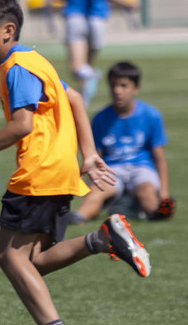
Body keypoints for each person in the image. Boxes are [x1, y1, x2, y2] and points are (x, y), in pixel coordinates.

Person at [0, 0, 151, 325]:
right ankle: (101, 240)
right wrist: (87, 155)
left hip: (38, 172)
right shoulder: (34, 59)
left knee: (10, 258)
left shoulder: (16, 68)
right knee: (31, 261)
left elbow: (22, 125)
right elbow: (73, 98)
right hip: (59, 171)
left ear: (7, 30)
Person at [70, 61, 173, 224]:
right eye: (113, 85)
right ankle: (78, 217)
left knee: (147, 194)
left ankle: (144, 208)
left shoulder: (151, 115)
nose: (117, 91)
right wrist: (92, 185)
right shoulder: (100, 118)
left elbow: (159, 157)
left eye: (124, 85)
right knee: (97, 193)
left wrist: (164, 193)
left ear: (136, 88)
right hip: (113, 169)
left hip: (141, 168)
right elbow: (95, 154)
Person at [55, 0, 138, 105]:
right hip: (96, 17)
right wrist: (124, 3)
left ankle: (85, 89)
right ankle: (82, 101)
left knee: (78, 68)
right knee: (86, 66)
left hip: (74, 16)